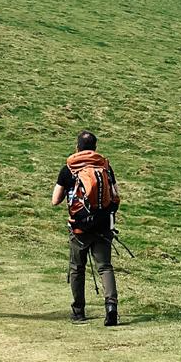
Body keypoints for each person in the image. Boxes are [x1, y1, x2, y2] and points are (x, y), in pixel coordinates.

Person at [51, 130, 120, 326]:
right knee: (105, 267)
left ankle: (78, 311)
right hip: (103, 226)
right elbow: (116, 196)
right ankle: (111, 307)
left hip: (79, 229)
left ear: (77, 147)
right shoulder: (105, 167)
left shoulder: (68, 169)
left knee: (77, 269)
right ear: (95, 147)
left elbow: (55, 200)